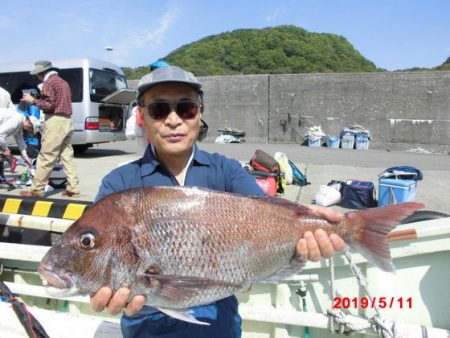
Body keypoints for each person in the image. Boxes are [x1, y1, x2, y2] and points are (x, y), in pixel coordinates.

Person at [90, 66, 346, 338]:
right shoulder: (118, 184)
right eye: (160, 109)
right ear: (142, 116)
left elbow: (268, 214)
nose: (173, 120)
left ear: (199, 114)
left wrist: (306, 220)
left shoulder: (226, 171)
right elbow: (99, 255)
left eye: (186, 108)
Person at [20, 60, 80, 198]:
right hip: (67, 120)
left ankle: (36, 190)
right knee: (67, 156)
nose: (37, 77)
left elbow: (49, 105)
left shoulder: (49, 82)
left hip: (55, 120)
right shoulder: (63, 82)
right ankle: (73, 188)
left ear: (41, 73)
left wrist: (32, 100)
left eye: (37, 74)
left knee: (46, 156)